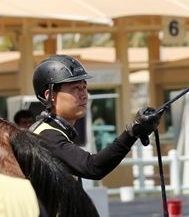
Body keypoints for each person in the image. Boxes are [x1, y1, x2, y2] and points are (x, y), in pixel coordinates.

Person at [30, 54, 161, 180]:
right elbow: (93, 167)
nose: (84, 95)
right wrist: (131, 132)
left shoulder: (54, 131)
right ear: (49, 95)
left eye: (84, 87)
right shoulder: (46, 135)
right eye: (75, 88)